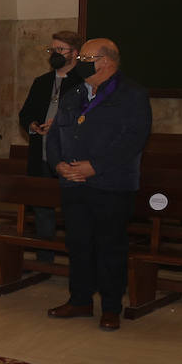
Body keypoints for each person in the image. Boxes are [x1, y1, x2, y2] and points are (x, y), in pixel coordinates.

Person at [45, 38, 152, 331]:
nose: (79, 62)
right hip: (73, 185)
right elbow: (54, 135)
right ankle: (80, 299)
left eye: (85, 58)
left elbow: (133, 139)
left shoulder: (132, 95)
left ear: (105, 62)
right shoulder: (73, 93)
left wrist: (95, 167)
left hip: (111, 185)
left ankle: (110, 307)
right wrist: (59, 165)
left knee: (110, 247)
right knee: (78, 244)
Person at [18, 31, 84, 262]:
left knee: (73, 213)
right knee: (42, 210)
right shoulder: (41, 82)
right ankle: (44, 260)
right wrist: (33, 125)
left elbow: (88, 119)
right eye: (52, 50)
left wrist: (62, 124)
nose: (54, 54)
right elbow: (25, 114)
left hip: (69, 159)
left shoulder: (83, 83)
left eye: (60, 50)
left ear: (75, 53)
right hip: (41, 156)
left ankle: (78, 260)